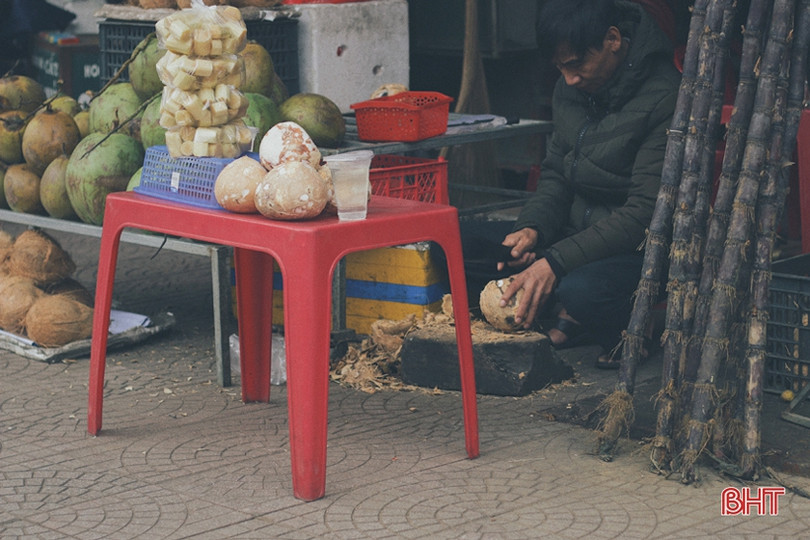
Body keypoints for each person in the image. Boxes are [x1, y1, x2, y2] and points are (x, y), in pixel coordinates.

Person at [495, 0, 680, 368]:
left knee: (582, 290)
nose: (569, 79)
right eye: (559, 67)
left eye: (576, 63)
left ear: (613, 39)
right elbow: (556, 175)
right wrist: (532, 227)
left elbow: (645, 212)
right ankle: (567, 312)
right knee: (472, 250)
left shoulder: (665, 96)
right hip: (574, 236)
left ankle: (632, 328)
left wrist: (556, 262)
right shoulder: (572, 88)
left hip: (640, 249)